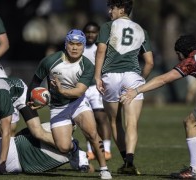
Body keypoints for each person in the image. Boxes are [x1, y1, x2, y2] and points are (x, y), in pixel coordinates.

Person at [27, 29, 112, 179]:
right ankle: (75, 150)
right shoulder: (49, 61)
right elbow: (34, 82)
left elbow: (79, 92)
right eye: (71, 43)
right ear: (66, 45)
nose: (75, 47)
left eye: (79, 44)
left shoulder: (87, 65)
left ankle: (104, 169)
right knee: (63, 146)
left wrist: (61, 90)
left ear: (83, 46)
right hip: (57, 107)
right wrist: (33, 100)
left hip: (77, 103)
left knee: (92, 133)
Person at [120, 34, 196, 179]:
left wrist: (137, 90)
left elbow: (163, 79)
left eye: (178, 54)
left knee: (191, 122)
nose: (178, 58)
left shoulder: (190, 61)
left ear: (182, 52)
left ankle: (195, 170)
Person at [94, 0, 154, 175]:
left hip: (110, 77)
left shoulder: (107, 26)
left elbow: (100, 51)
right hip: (132, 77)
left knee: (115, 121)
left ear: (121, 9)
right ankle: (130, 161)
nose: (109, 11)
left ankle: (124, 161)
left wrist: (97, 77)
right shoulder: (142, 30)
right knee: (132, 123)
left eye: (112, 8)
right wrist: (140, 82)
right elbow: (150, 63)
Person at [82, 22, 112, 161]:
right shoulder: (79, 48)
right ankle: (90, 151)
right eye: (88, 32)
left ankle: (106, 150)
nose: (90, 34)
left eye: (93, 32)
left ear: (98, 33)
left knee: (101, 118)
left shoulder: (100, 48)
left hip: (95, 88)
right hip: (82, 88)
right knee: (87, 121)